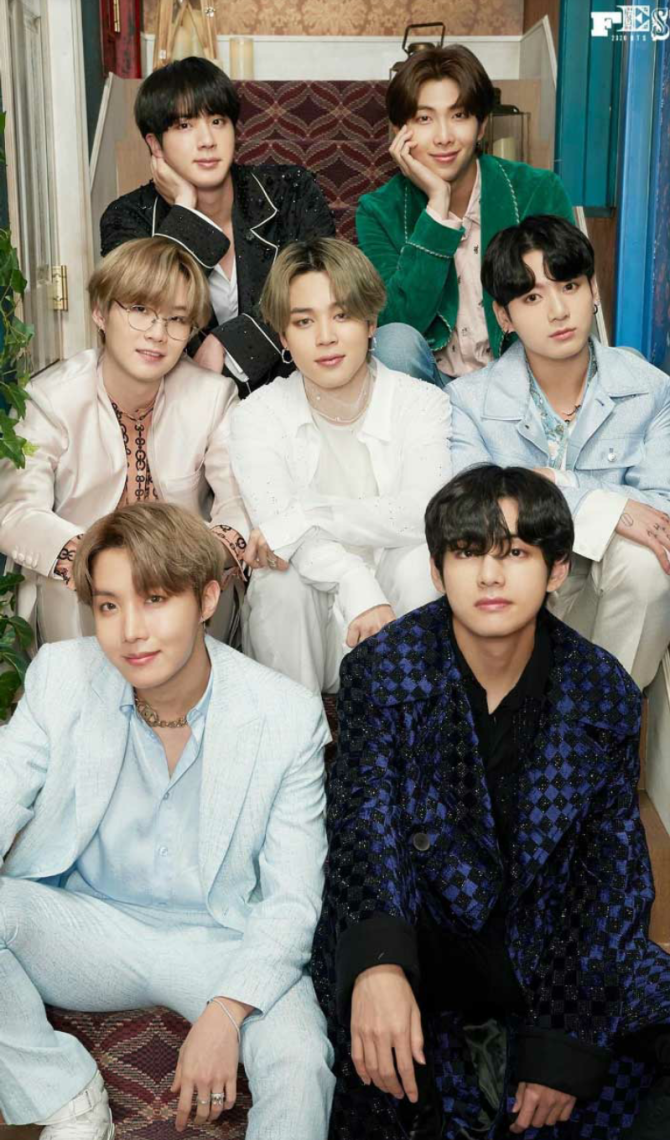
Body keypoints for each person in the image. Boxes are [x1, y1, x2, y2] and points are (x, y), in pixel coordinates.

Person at [311, 465, 670, 1140]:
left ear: (557, 569)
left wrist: (565, 1039)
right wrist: (378, 964)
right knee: (379, 1116)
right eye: (469, 551)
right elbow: (363, 826)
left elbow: (610, 879)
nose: (490, 574)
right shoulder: (383, 668)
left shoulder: (602, 688)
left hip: (544, 944)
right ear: (437, 568)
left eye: (515, 552)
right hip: (420, 938)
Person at [0, 501, 334, 1140]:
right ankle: (70, 1105)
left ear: (207, 598)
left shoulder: (285, 715)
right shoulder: (61, 675)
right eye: (110, 605)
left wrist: (229, 1009)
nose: (130, 631)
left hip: (221, 939)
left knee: (302, 1063)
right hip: (86, 925)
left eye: (154, 600)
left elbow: (293, 900)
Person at [0, 236, 284, 646]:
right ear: (100, 313)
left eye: (176, 319)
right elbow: (17, 510)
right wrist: (95, 562)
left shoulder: (212, 397)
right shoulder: (51, 397)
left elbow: (240, 502)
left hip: (183, 580)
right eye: (139, 310)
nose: (157, 333)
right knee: (78, 592)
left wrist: (195, 557)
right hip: (81, 591)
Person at [449, 214, 670, 695]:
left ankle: (600, 719)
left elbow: (662, 514)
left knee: (647, 563)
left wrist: (560, 482)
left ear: (593, 291)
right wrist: (600, 504)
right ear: (504, 316)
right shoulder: (468, 401)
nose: (557, 310)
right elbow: (471, 511)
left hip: (609, 598)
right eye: (532, 297)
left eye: (569, 286)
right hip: (511, 594)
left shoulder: (652, 390)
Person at [229, 237, 452, 694]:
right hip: (310, 619)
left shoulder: (422, 403)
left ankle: (414, 727)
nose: (325, 337)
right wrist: (353, 579)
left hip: (397, 605)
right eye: (303, 321)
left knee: (421, 564)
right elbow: (280, 539)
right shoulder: (256, 415)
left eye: (342, 315)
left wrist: (307, 515)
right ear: (283, 337)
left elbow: (423, 513)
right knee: (278, 580)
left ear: (371, 322)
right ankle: (295, 734)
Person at [101, 56, 335, 394]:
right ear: (155, 144)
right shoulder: (127, 218)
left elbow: (321, 287)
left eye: (217, 121)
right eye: (185, 126)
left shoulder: (290, 191)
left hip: (294, 389)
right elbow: (149, 312)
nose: (207, 140)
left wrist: (231, 342)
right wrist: (184, 209)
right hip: (179, 400)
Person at [356, 45, 574, 388]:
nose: (444, 137)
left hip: (518, 378)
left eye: (459, 116)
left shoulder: (537, 190)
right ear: (399, 131)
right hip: (429, 386)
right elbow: (395, 321)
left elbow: (564, 304)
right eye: (424, 119)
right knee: (394, 343)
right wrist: (437, 209)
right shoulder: (379, 210)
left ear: (482, 125)